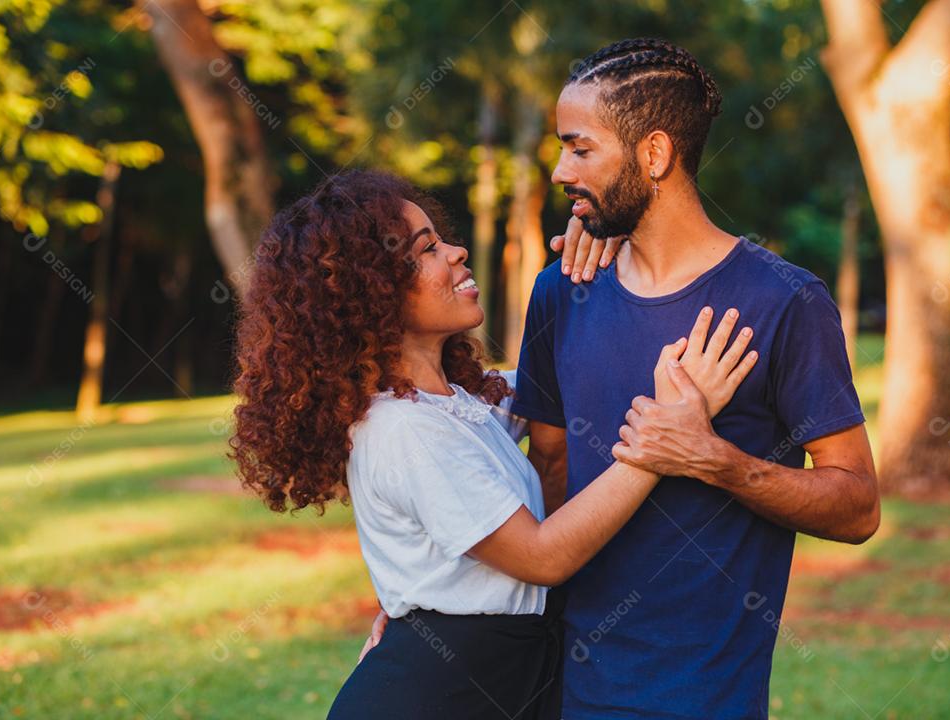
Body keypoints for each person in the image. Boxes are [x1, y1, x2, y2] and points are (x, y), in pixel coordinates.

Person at [363, 37, 881, 720]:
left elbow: (858, 507)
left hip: (704, 699)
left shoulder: (784, 302)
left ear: (654, 155)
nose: (558, 171)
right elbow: (534, 474)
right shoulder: (562, 291)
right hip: (558, 691)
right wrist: (413, 605)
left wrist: (718, 461)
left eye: (579, 149)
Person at [228, 169, 759, 719]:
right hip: (438, 693)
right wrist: (658, 446)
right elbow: (543, 556)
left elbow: (573, 386)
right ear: (373, 293)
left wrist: (615, 240)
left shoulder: (464, 402)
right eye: (427, 250)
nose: (456, 252)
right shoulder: (402, 428)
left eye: (441, 238)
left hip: (498, 677)